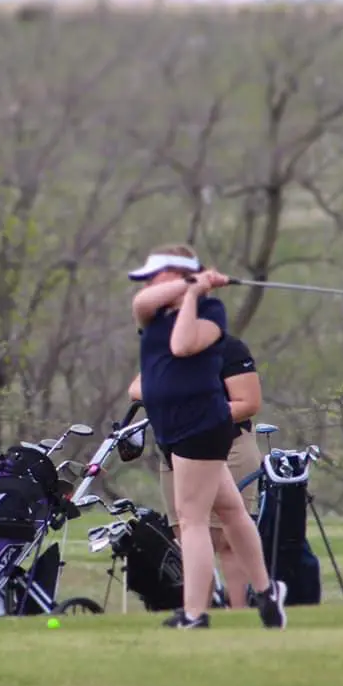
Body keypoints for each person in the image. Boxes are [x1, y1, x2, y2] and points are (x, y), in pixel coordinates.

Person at [128, 244, 286, 629]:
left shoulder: (211, 314)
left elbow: (183, 346)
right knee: (231, 510)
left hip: (200, 426)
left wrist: (196, 293)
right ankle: (267, 593)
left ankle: (195, 614)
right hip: (174, 430)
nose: (148, 281)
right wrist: (189, 284)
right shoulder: (151, 314)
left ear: (177, 274)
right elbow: (142, 300)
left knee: (192, 519)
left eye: (156, 273)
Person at [129, 332, 265, 609]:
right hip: (176, 450)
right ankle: (199, 611)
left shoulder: (229, 348)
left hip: (229, 446)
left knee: (226, 537)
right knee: (186, 532)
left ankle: (239, 611)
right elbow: (136, 388)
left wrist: (198, 413)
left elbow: (248, 403)